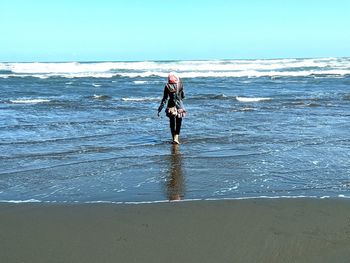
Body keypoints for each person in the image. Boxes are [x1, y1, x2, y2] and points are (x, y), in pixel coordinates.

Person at [157, 72, 186, 144]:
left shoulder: (167, 86)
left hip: (171, 106)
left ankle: (173, 138)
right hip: (180, 106)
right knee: (179, 122)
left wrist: (160, 108)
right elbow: (183, 96)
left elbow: (165, 99)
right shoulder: (180, 84)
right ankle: (176, 137)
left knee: (172, 123)